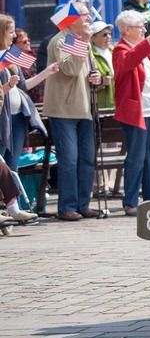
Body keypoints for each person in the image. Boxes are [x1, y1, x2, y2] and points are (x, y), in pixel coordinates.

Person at [45, 12, 103, 221]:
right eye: (84, 15)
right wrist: (84, 42)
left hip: (84, 108)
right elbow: (70, 69)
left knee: (87, 158)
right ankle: (67, 207)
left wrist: (97, 78)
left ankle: (82, 204)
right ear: (72, 19)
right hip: (64, 109)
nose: (88, 18)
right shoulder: (62, 40)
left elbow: (87, 72)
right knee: (69, 159)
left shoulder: (81, 42)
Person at [113, 9, 150, 216]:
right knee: (136, 157)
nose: (144, 30)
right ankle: (130, 201)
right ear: (127, 30)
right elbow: (129, 61)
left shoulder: (142, 49)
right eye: (140, 28)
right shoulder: (120, 50)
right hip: (135, 112)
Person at [0, 15, 56, 179]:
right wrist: (8, 85)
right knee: (1, 161)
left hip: (18, 116)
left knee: (13, 164)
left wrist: (47, 72)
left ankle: (13, 196)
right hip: (2, 117)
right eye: (11, 32)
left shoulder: (12, 54)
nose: (14, 36)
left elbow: (23, 86)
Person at [88, 21, 115, 109]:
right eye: (104, 35)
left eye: (110, 34)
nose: (109, 37)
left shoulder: (114, 51)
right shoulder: (89, 55)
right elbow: (85, 83)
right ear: (93, 38)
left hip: (118, 103)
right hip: (101, 106)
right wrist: (101, 82)